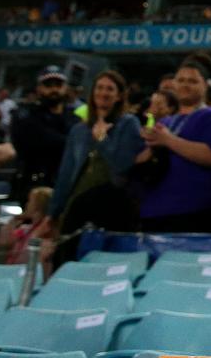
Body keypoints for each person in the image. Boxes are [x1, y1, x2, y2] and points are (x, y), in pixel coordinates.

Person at [48, 70, 144, 264]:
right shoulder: (79, 130)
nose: (104, 92)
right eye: (99, 88)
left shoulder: (129, 124)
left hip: (113, 208)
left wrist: (102, 139)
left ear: (119, 96)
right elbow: (66, 174)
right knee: (66, 262)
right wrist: (53, 212)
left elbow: (122, 165)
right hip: (76, 207)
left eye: (110, 89)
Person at [136, 61, 211, 232]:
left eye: (193, 81)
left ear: (205, 86)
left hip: (194, 212)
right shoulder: (165, 121)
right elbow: (139, 161)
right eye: (181, 80)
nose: (185, 85)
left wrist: (168, 140)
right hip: (154, 210)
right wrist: (151, 144)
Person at [10, 66, 76, 204]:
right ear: (38, 88)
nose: (54, 90)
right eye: (48, 85)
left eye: (58, 85)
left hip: (66, 185)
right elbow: (40, 142)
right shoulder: (26, 115)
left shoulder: (73, 117)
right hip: (33, 185)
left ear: (66, 88)